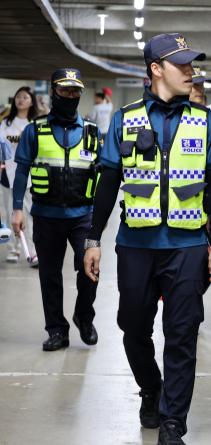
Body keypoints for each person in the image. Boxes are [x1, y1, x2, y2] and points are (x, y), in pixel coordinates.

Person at [82, 33, 211, 445]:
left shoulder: (207, 120)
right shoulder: (125, 118)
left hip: (186, 247)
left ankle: (172, 424)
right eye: (182, 64)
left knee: (182, 332)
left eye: (192, 64)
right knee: (132, 326)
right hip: (136, 245)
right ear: (155, 69)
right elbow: (108, 180)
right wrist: (93, 239)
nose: (191, 71)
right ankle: (151, 386)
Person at [11, 69, 102, 351]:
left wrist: (100, 217)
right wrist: (17, 209)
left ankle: (83, 317)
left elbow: (103, 175)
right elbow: (21, 171)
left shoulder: (92, 131)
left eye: (75, 92)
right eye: (65, 91)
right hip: (46, 215)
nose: (71, 96)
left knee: (91, 270)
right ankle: (57, 330)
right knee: (49, 275)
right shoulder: (34, 130)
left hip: (83, 217)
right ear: (53, 92)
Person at [1, 86, 40, 265]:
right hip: (8, 175)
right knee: (11, 214)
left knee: (31, 215)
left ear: (32, 101)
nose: (21, 100)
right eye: (18, 96)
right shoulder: (6, 123)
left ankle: (33, 251)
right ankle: (13, 250)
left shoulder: (36, 124)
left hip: (30, 177)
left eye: (25, 97)